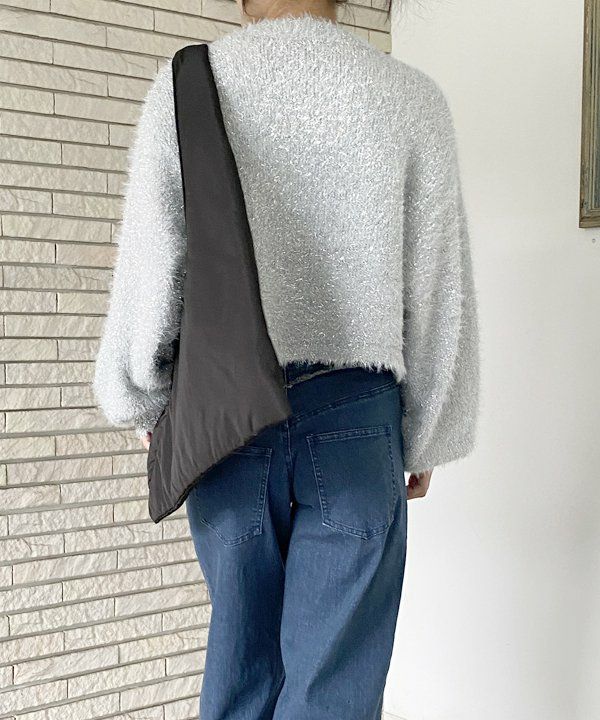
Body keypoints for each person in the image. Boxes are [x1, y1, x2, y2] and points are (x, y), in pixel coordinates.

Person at [92, 0, 480, 717]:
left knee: (240, 673)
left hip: (225, 417)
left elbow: (153, 263)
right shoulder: (410, 98)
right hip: (358, 420)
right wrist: (428, 431)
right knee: (334, 689)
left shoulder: (188, 87)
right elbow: (436, 287)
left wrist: (143, 400)